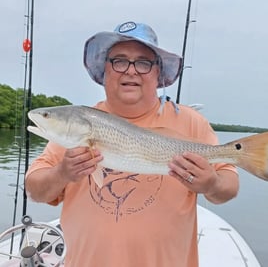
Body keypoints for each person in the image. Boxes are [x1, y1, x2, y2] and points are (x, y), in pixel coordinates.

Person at [25, 21, 239, 267]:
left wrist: (211, 184)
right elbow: (34, 190)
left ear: (158, 72)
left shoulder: (191, 122)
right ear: (104, 70)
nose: (130, 71)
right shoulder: (78, 125)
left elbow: (229, 187)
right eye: (119, 60)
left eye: (143, 62)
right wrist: (62, 173)